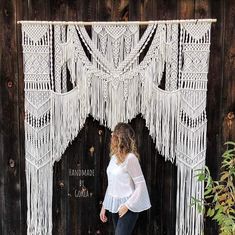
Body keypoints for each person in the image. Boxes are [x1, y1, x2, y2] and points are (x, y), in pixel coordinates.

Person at [99, 123, 151, 235]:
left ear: (119, 138)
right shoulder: (113, 158)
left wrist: (127, 206)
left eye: (114, 134)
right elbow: (112, 184)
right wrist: (104, 206)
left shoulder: (131, 158)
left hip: (129, 206)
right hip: (115, 205)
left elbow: (141, 185)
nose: (111, 136)